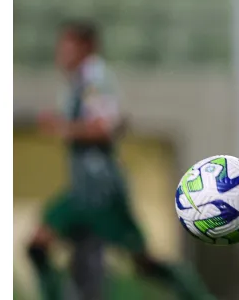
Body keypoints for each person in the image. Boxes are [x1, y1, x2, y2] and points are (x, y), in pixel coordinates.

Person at [27, 20, 213, 300]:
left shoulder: (94, 79)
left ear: (87, 47)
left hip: (98, 191)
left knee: (41, 246)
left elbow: (105, 126)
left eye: (68, 47)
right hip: (88, 188)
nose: (61, 54)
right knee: (125, 261)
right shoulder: (79, 82)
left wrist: (63, 127)